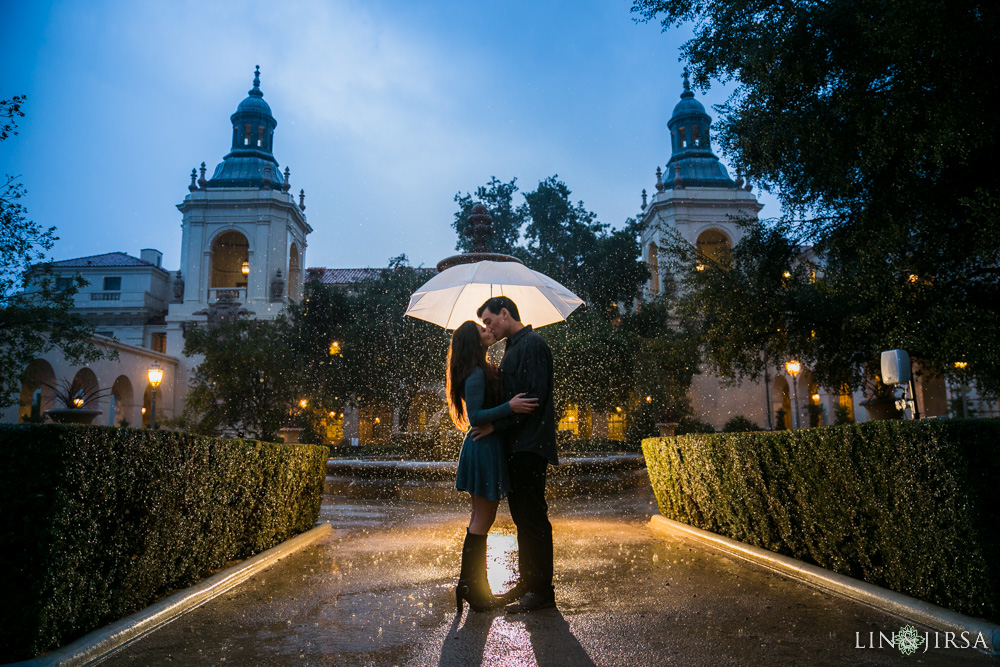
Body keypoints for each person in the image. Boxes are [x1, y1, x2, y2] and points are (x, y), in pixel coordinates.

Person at [473, 296, 558, 614]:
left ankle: (542, 591)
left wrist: (496, 424)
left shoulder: (532, 344)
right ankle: (529, 583)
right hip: (518, 445)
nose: (488, 327)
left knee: (533, 518)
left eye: (489, 320)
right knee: (523, 518)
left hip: (530, 445)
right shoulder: (513, 346)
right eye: (484, 324)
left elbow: (532, 399)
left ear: (505, 313)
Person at [447, 320, 538, 613]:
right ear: (475, 342)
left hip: (485, 447)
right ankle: (474, 588)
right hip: (482, 448)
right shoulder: (474, 373)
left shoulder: (481, 369)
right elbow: (475, 416)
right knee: (482, 520)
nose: (489, 332)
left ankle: (472, 585)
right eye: (483, 331)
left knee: (480, 519)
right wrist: (509, 406)